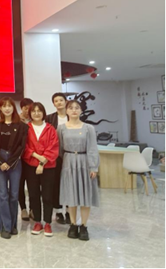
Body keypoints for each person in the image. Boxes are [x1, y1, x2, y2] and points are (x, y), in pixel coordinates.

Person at [57, 100, 100, 241]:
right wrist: (67, 160)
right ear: (66, 111)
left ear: (81, 111)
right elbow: (60, 149)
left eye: (77, 108)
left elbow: (93, 148)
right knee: (71, 195)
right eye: (71, 108)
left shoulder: (89, 128)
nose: (74, 110)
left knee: (85, 196)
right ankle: (73, 224)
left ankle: (84, 226)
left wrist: (93, 166)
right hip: (68, 162)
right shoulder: (61, 128)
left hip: (84, 162)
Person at [0, 97, 28, 239]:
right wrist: (1, 162)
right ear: (0, 108)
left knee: (14, 195)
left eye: (9, 106)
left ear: (13, 108)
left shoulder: (22, 126)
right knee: (2, 195)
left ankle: (13, 225)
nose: (7, 108)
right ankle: (5, 227)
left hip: (15, 162)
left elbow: (21, 147)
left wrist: (10, 162)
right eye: (4, 106)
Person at [22, 102, 59, 237]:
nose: (36, 113)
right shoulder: (25, 128)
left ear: (43, 113)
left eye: (39, 111)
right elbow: (24, 147)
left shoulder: (50, 129)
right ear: (30, 113)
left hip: (48, 166)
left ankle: (48, 222)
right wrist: (37, 157)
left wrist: (42, 163)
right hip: (31, 166)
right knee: (33, 194)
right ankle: (37, 222)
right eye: (34, 111)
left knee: (48, 195)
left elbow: (53, 147)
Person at [46, 92, 70, 225]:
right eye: (56, 101)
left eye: (61, 100)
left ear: (66, 101)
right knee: (56, 183)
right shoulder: (49, 118)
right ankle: (59, 211)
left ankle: (70, 210)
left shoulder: (72, 116)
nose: (59, 102)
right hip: (55, 156)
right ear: (53, 104)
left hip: (70, 154)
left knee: (69, 183)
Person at [18, 98, 33, 222]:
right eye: (25, 108)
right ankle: (23, 208)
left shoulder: (36, 120)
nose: (27, 110)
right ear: (21, 108)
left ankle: (33, 208)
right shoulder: (16, 120)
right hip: (19, 157)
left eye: (30, 108)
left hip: (32, 157)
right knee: (20, 184)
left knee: (33, 184)